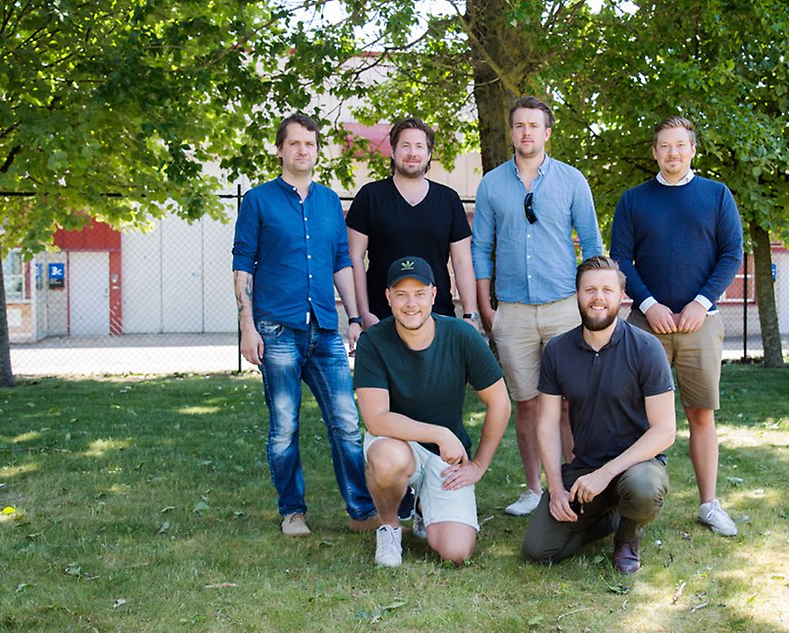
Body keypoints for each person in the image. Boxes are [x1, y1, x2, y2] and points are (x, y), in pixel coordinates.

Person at [232, 113, 376, 537]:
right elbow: (243, 264)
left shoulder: (330, 201)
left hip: (326, 330)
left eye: (309, 145)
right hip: (276, 328)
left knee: (347, 421)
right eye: (293, 144)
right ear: (280, 149)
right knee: (285, 424)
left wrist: (353, 316)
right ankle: (292, 511)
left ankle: (361, 511)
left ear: (317, 150)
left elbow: (341, 262)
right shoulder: (258, 200)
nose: (302, 151)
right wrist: (247, 324)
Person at [609, 115, 743, 537]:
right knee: (635, 415)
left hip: (700, 322)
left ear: (692, 149)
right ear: (654, 152)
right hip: (646, 322)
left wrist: (700, 304)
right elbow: (621, 259)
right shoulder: (634, 200)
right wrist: (648, 305)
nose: (672, 153)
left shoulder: (717, 195)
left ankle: (708, 503)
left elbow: (731, 254)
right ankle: (629, 504)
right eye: (664, 146)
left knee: (700, 413)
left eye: (680, 145)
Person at [471, 95, 604, 516]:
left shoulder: (571, 181)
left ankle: (569, 482)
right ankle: (532, 489)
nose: (526, 132)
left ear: (547, 133)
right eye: (519, 125)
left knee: (568, 402)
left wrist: (594, 302)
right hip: (512, 311)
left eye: (534, 125)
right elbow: (481, 247)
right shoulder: (492, 184)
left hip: (565, 307)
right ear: (511, 133)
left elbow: (592, 243)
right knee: (526, 403)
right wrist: (485, 306)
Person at [353, 256, 511, 567]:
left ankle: (425, 508)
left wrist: (479, 465)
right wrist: (439, 433)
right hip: (396, 441)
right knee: (389, 460)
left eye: (419, 293)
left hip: (445, 457)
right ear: (388, 297)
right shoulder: (373, 341)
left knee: (456, 552)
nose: (411, 303)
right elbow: (375, 418)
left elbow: (500, 402)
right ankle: (389, 527)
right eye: (401, 294)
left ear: (434, 295)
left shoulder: (461, 335)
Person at [521, 257, 676, 573]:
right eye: (589, 289)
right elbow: (548, 424)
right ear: (576, 295)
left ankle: (628, 535)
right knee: (539, 550)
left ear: (622, 296)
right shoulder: (557, 351)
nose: (598, 297)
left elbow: (664, 431)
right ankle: (612, 514)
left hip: (637, 465)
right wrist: (556, 488)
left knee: (643, 489)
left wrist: (605, 474)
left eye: (607, 289)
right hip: (584, 468)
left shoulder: (647, 348)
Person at [346, 117, 479, 329]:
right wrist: (364, 314)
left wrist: (470, 314)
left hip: (438, 318)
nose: (412, 153)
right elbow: (354, 258)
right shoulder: (370, 197)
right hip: (382, 318)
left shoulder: (448, 200)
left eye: (419, 146)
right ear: (393, 151)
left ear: (429, 154)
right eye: (405, 146)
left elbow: (462, 260)